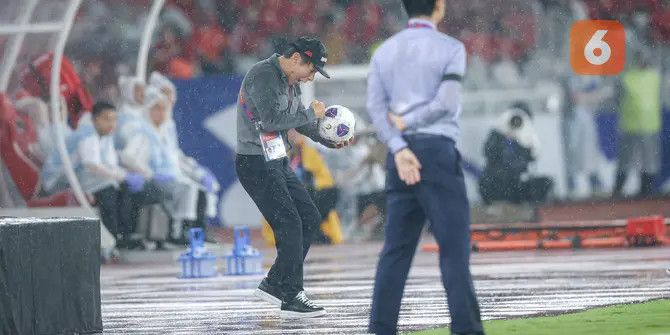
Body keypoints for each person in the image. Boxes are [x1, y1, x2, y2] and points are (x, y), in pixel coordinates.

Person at [366, 1, 484, 334]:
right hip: (436, 154)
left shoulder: (384, 52)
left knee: (395, 252)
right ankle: (467, 329)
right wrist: (410, 122)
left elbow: (376, 111)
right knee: (454, 248)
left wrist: (400, 146)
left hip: (399, 159)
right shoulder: (451, 48)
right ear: (438, 7)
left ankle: (380, 328)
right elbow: (446, 102)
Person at [235, 36, 351, 319]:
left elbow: (298, 121)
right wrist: (309, 112)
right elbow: (271, 120)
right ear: (297, 58)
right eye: (311, 71)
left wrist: (327, 140)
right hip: (256, 162)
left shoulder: (291, 82)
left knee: (310, 217)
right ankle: (291, 295)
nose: (311, 78)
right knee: (290, 223)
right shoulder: (263, 75)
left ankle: (275, 283)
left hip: (276, 160)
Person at [478, 105, 553, 204]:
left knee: (545, 182)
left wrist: (525, 143)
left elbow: (533, 157)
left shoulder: (526, 138)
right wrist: (505, 138)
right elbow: (488, 153)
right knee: (487, 182)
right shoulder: (496, 135)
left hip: (516, 183)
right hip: (497, 181)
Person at [613, 52, 662, 198]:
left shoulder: (653, 77)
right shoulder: (629, 77)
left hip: (647, 126)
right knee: (627, 160)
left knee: (647, 161)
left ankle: (644, 190)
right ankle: (619, 190)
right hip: (632, 126)